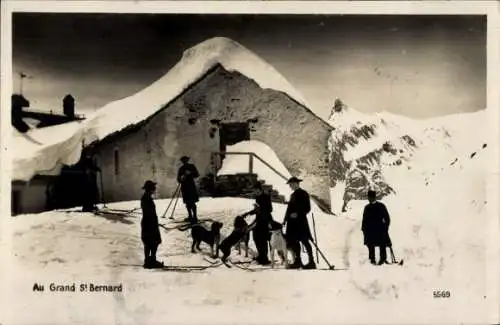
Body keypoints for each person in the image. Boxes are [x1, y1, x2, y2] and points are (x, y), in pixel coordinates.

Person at [283, 177, 316, 269]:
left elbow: (307, 208)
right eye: (290, 185)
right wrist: (285, 219)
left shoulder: (303, 194)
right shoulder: (293, 195)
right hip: (292, 223)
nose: (290, 186)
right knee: (294, 242)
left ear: (297, 184)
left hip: (301, 222)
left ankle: (311, 262)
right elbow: (289, 209)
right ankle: (298, 261)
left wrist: (297, 213)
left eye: (292, 184)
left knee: (305, 241)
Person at [361, 190, 392, 265]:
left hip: (380, 230)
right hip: (370, 231)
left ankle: (383, 259)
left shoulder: (381, 206)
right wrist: (364, 229)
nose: (369, 199)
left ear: (374, 197)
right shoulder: (367, 207)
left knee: (382, 244)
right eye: (368, 197)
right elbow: (364, 219)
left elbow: (387, 218)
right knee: (370, 245)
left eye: (370, 197)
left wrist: (385, 228)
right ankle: (372, 260)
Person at [250, 183, 274, 265]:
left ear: (260, 190)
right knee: (256, 237)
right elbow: (257, 210)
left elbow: (270, 209)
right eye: (254, 191)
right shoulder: (257, 197)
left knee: (263, 239)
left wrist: (259, 209)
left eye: (256, 190)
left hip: (266, 220)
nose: (255, 192)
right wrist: (250, 212)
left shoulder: (266, 197)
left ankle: (264, 258)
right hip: (259, 220)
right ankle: (261, 255)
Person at [141, 180, 163, 269]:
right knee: (152, 242)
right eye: (153, 188)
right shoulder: (146, 198)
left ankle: (149, 260)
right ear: (150, 189)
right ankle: (150, 261)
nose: (155, 189)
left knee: (151, 242)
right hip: (149, 223)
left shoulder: (146, 197)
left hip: (149, 222)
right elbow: (149, 212)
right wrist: (154, 222)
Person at [177, 156, 200, 224]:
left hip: (191, 187)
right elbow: (178, 179)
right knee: (187, 203)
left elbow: (197, 174)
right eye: (183, 160)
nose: (184, 161)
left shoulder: (192, 166)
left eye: (185, 160)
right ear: (182, 161)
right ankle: (190, 216)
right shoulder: (181, 169)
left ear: (187, 160)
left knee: (192, 202)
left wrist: (190, 173)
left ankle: (195, 217)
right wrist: (181, 178)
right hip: (184, 187)